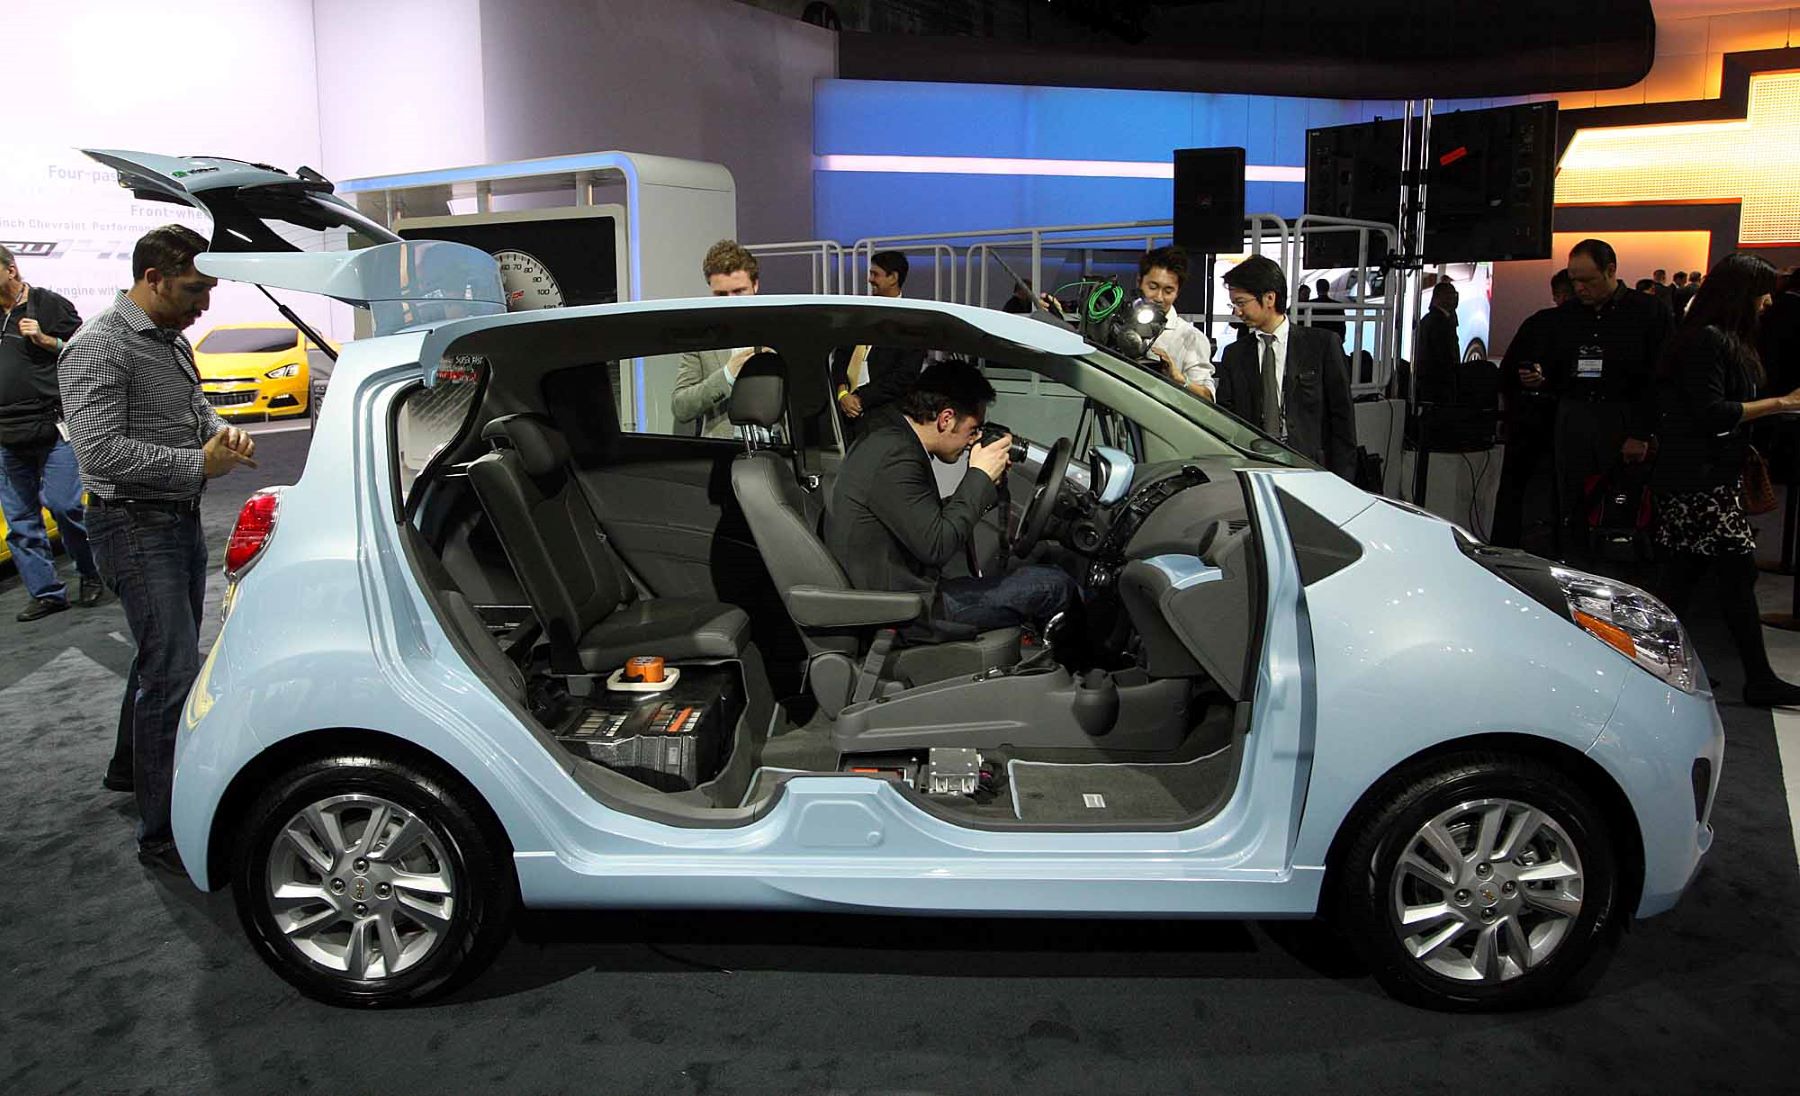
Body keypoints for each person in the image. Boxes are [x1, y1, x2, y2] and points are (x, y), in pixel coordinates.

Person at [59, 224, 258, 874]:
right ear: (153, 278)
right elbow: (100, 452)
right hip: (131, 525)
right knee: (172, 673)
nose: (204, 304)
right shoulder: (99, 346)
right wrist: (196, 463)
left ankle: (128, 771)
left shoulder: (168, 340)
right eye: (194, 289)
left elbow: (193, 405)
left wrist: (218, 434)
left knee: (159, 657)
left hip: (172, 518)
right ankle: (166, 834)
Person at [1648, 253, 1800, 708]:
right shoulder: (1708, 343)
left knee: (1684, 577)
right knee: (1729, 575)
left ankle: (1658, 667)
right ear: (1741, 295)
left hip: (1703, 476)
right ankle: (1756, 678)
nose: (1768, 301)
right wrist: (1780, 404)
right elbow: (1712, 412)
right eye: (1762, 293)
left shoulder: (1717, 340)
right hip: (1701, 480)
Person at [825, 359, 1077, 632]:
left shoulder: (890, 439)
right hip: (903, 611)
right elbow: (936, 546)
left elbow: (922, 518)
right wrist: (978, 475)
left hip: (899, 591)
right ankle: (1087, 671)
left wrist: (989, 486)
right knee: (1054, 586)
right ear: (946, 419)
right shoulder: (895, 455)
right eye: (973, 429)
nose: (973, 440)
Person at [1545, 238, 1672, 562]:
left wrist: (1642, 432)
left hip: (1623, 417)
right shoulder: (1568, 315)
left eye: (1587, 280)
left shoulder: (1647, 312)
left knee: (1621, 503)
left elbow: (1659, 376)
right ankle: (1573, 567)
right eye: (1574, 280)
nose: (1580, 288)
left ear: (1611, 270)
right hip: (1575, 415)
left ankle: (1620, 573)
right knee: (1571, 502)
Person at [0, 244, 102, 621]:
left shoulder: (49, 305)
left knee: (65, 506)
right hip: (6, 434)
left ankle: (92, 573)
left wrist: (48, 341)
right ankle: (46, 593)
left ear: (11, 270)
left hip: (52, 426)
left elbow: (86, 351)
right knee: (20, 521)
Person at [1214, 254, 1358, 479]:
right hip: (1255, 470)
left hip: (1312, 469)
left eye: (1241, 303)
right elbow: (1227, 418)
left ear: (1269, 298)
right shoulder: (1235, 355)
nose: (1237, 312)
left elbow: (1342, 419)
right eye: (1234, 304)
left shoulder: (1322, 346)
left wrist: (1343, 481)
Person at [1491, 269, 1573, 550]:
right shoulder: (1551, 325)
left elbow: (1507, 373)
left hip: (1527, 424)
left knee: (1517, 495)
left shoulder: (1538, 324)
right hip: (1556, 428)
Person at [672, 240, 766, 439]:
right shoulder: (701, 340)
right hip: (724, 451)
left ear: (755, 285)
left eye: (739, 291)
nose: (731, 301)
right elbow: (681, 407)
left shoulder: (779, 332)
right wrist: (727, 376)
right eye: (721, 294)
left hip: (777, 449)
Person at [833, 250, 927, 430]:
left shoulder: (912, 323)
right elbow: (841, 356)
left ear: (893, 278)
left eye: (875, 274)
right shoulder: (860, 315)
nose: (870, 279)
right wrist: (842, 393)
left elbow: (904, 376)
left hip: (883, 418)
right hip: (845, 413)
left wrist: (861, 398)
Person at [1132, 245, 1214, 399]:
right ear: (1139, 282)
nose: (1159, 297)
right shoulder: (1120, 325)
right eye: (1153, 287)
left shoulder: (1191, 337)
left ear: (1178, 292)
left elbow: (1208, 397)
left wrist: (1179, 379)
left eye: (1168, 291)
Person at [1413, 280, 1461, 401]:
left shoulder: (1428, 320)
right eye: (1451, 295)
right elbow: (1445, 354)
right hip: (1439, 383)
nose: (1454, 299)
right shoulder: (1440, 323)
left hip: (1429, 381)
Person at [1312, 277, 1348, 346]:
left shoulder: (1310, 305)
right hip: (1331, 340)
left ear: (1317, 289)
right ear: (1328, 288)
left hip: (1314, 339)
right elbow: (1342, 326)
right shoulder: (1337, 306)